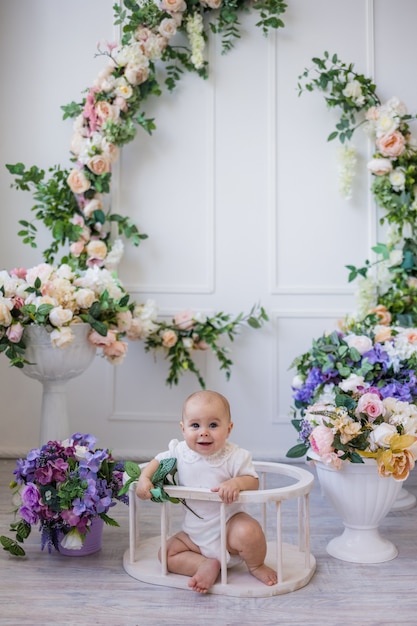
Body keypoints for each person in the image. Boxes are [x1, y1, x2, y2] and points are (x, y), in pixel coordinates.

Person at [136, 390, 278, 594]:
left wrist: (236, 483)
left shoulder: (235, 456)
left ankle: (256, 565)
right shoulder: (179, 452)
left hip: (229, 529)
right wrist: (144, 478)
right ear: (183, 429)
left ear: (229, 429)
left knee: (249, 531)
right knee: (165, 555)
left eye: (213, 425)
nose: (204, 432)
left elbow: (253, 481)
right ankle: (204, 564)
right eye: (195, 425)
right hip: (194, 535)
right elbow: (158, 461)